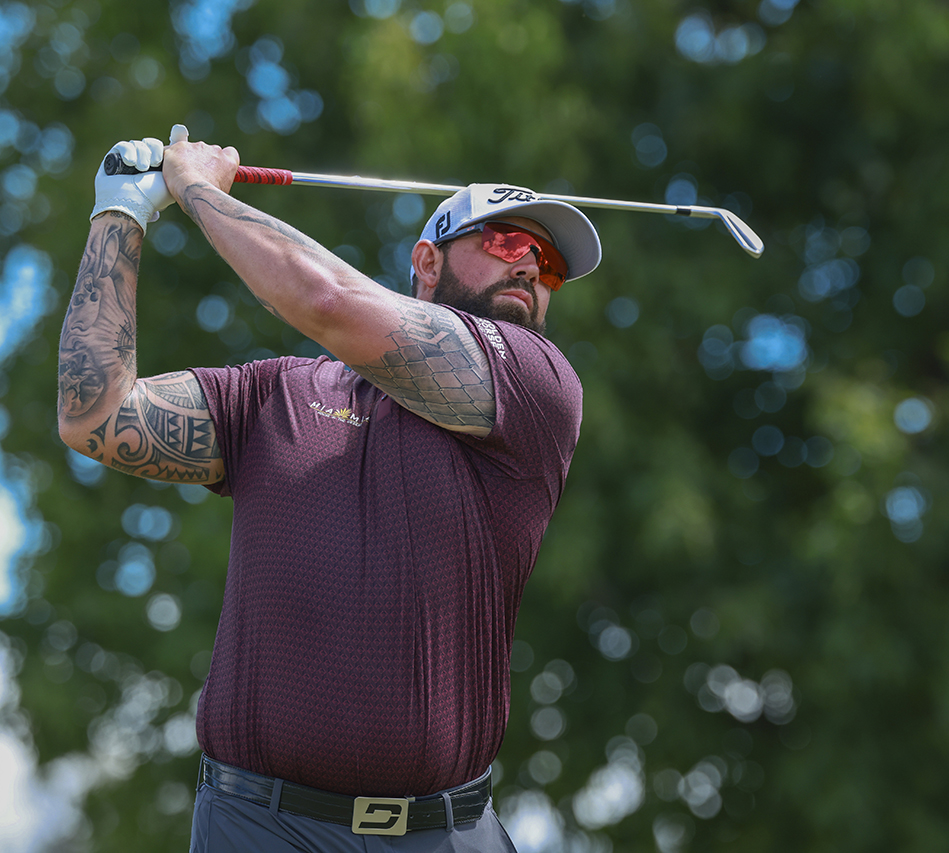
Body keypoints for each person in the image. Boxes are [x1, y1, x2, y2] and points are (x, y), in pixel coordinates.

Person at [57, 125, 601, 852]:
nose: (531, 266)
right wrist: (120, 212)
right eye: (508, 242)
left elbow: (327, 299)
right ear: (428, 261)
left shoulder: (536, 385)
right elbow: (96, 415)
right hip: (258, 827)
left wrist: (194, 189)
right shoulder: (275, 393)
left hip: (443, 832)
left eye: (549, 262)